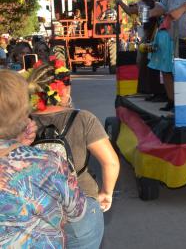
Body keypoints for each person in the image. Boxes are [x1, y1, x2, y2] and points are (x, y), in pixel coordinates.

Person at [28, 58, 120, 248]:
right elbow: (110, 162)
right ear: (65, 89)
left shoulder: (22, 122)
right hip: (80, 208)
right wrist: (106, 193)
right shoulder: (83, 119)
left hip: (35, 211)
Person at [0, 70, 87, 247]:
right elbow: (77, 211)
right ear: (24, 112)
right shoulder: (47, 163)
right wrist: (22, 149)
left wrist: (17, 145)